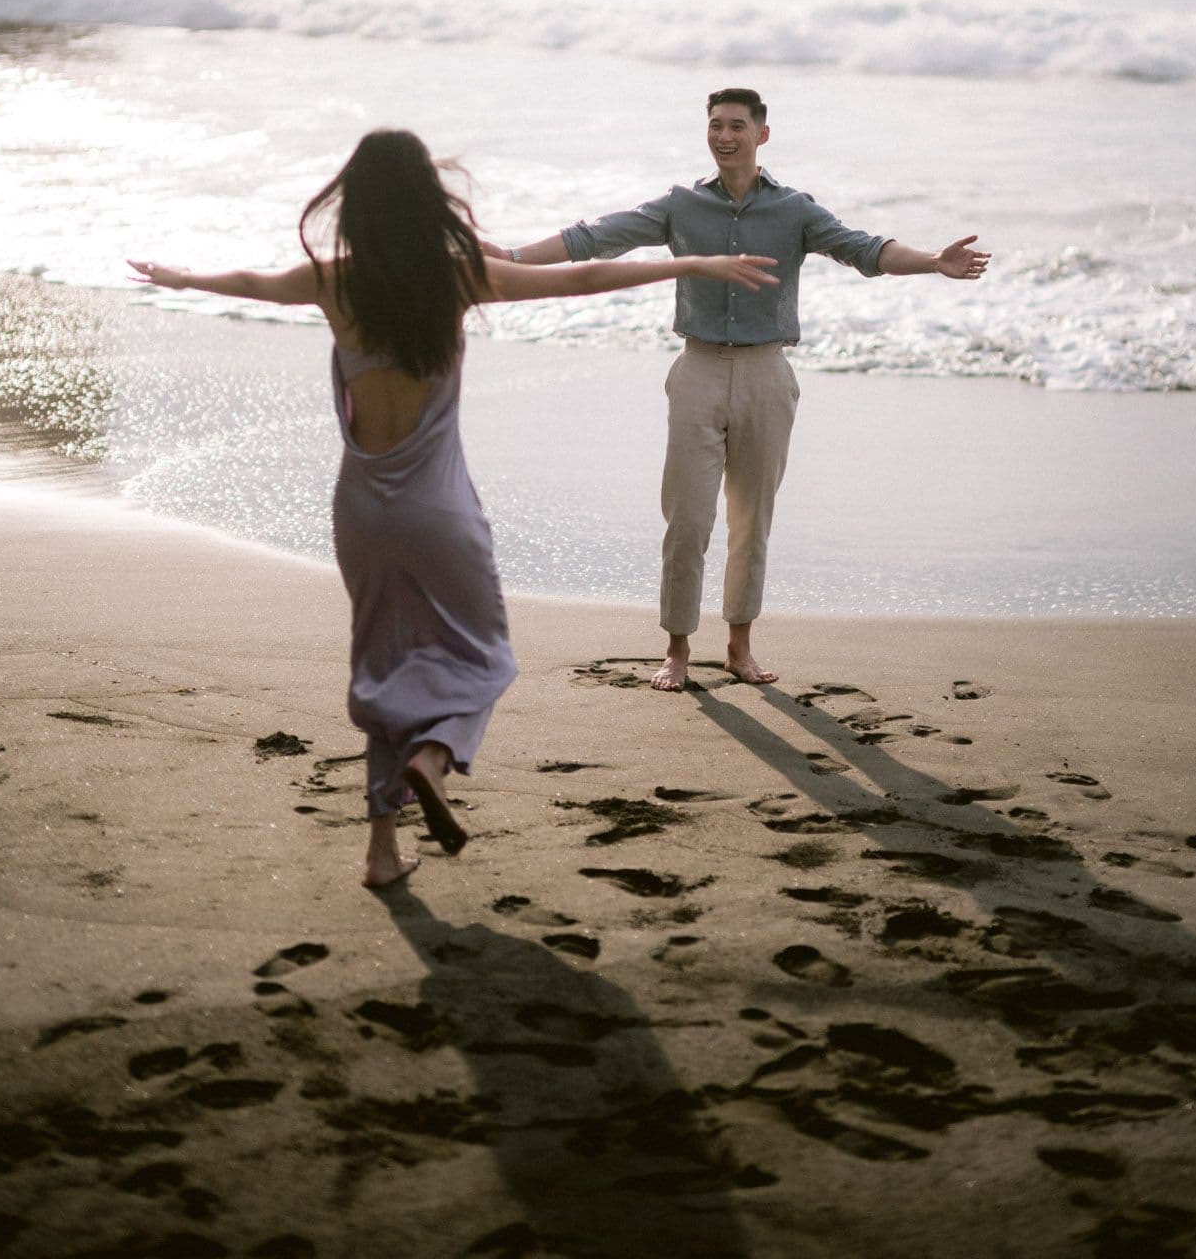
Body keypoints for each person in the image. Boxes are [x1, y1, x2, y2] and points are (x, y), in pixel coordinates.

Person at [129, 128, 776, 888]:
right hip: (439, 512)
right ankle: (433, 757)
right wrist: (692, 261)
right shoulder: (457, 275)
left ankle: (379, 852)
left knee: (381, 664)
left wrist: (181, 278)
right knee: (480, 654)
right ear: (427, 200)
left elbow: (249, 280)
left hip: (362, 513)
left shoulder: (331, 278)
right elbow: (580, 280)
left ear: (355, 202)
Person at [486, 87, 989, 693]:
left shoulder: (794, 210)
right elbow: (597, 237)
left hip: (766, 375)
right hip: (697, 371)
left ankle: (739, 648)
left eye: (736, 127)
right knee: (688, 519)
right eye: (715, 126)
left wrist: (933, 261)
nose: (724, 137)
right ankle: (676, 649)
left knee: (752, 521)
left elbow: (864, 249)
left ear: (762, 135)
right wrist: (513, 256)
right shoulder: (680, 205)